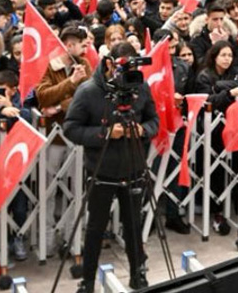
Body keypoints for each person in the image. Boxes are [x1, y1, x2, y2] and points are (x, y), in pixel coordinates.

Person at [63, 42, 159, 293]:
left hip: (134, 168)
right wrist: (106, 133)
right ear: (109, 64)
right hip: (101, 171)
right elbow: (71, 128)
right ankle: (88, 281)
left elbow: (154, 120)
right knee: (95, 228)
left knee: (133, 226)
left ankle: (138, 274)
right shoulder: (88, 91)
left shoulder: (140, 86)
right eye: (122, 66)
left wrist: (143, 130)